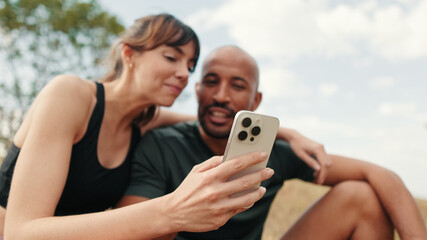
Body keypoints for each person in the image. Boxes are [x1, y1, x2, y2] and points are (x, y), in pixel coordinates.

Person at [0, 15, 275, 239]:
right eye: (172, 58)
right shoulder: (70, 95)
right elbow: (19, 233)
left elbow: (213, 120)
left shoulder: (143, 121)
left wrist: (288, 134)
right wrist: (170, 211)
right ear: (129, 53)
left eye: (190, 66)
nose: (183, 74)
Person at [117, 45, 427, 240]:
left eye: (237, 86)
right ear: (197, 91)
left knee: (362, 196)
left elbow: (382, 175)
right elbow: (132, 226)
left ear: (256, 99)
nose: (221, 95)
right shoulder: (160, 144)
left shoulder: (271, 153)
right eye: (211, 82)